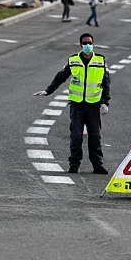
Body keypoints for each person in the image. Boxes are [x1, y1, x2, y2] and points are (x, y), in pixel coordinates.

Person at [33, 33, 111, 174]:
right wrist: (48, 90)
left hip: (93, 105)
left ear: (93, 44)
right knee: (76, 136)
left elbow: (106, 82)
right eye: (85, 43)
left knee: (95, 137)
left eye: (90, 43)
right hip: (77, 106)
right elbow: (61, 76)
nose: (88, 45)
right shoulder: (73, 60)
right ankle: (74, 164)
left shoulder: (100, 61)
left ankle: (97, 165)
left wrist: (105, 102)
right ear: (80, 45)